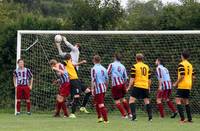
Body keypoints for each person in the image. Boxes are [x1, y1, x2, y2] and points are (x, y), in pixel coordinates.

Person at [55, 36, 91, 113]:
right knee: (71, 94)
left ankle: (80, 107)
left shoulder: (76, 51)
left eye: (75, 45)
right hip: (71, 77)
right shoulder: (69, 55)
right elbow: (61, 54)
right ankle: (68, 110)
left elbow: (70, 46)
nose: (74, 46)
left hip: (74, 75)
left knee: (87, 92)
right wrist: (58, 45)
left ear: (77, 47)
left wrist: (65, 40)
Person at [63, 54, 91, 118]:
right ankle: (72, 113)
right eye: (71, 57)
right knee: (77, 96)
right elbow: (62, 63)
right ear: (69, 58)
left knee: (89, 91)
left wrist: (82, 62)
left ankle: (82, 107)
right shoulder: (66, 62)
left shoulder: (70, 63)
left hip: (77, 81)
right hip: (73, 81)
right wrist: (57, 67)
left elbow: (75, 65)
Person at [127, 53, 153, 122]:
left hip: (137, 85)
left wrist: (129, 87)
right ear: (142, 59)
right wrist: (149, 87)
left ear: (136, 59)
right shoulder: (147, 67)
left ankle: (134, 117)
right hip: (145, 86)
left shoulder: (134, 66)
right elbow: (149, 79)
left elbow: (132, 78)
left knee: (131, 100)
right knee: (147, 101)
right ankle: (150, 117)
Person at [173, 50, 195, 123]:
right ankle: (189, 119)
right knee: (186, 101)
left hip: (182, 85)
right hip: (188, 85)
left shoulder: (181, 64)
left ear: (182, 56)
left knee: (177, 100)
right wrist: (191, 84)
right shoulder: (190, 65)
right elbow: (193, 77)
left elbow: (182, 76)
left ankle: (182, 119)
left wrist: (176, 83)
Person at [107, 53, 131, 118]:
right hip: (122, 84)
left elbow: (107, 73)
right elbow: (125, 77)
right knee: (123, 98)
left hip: (116, 85)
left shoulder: (112, 64)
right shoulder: (123, 66)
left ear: (115, 57)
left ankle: (124, 115)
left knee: (117, 100)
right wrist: (125, 86)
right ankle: (130, 114)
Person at [91, 55, 109, 123]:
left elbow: (93, 80)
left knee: (101, 104)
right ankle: (99, 117)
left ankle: (106, 120)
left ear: (94, 60)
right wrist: (106, 87)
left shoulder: (93, 69)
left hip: (98, 88)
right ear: (100, 60)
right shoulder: (104, 68)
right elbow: (107, 79)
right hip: (103, 87)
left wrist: (92, 89)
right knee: (97, 103)